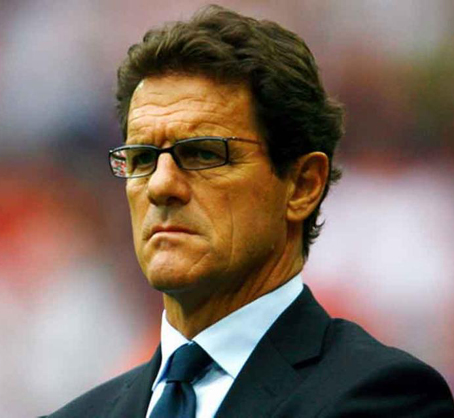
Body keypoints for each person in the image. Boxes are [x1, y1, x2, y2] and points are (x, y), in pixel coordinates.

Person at [41, 5, 454, 417]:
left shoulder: (382, 398)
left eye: (203, 153)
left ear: (303, 185)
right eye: (142, 159)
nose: (161, 185)